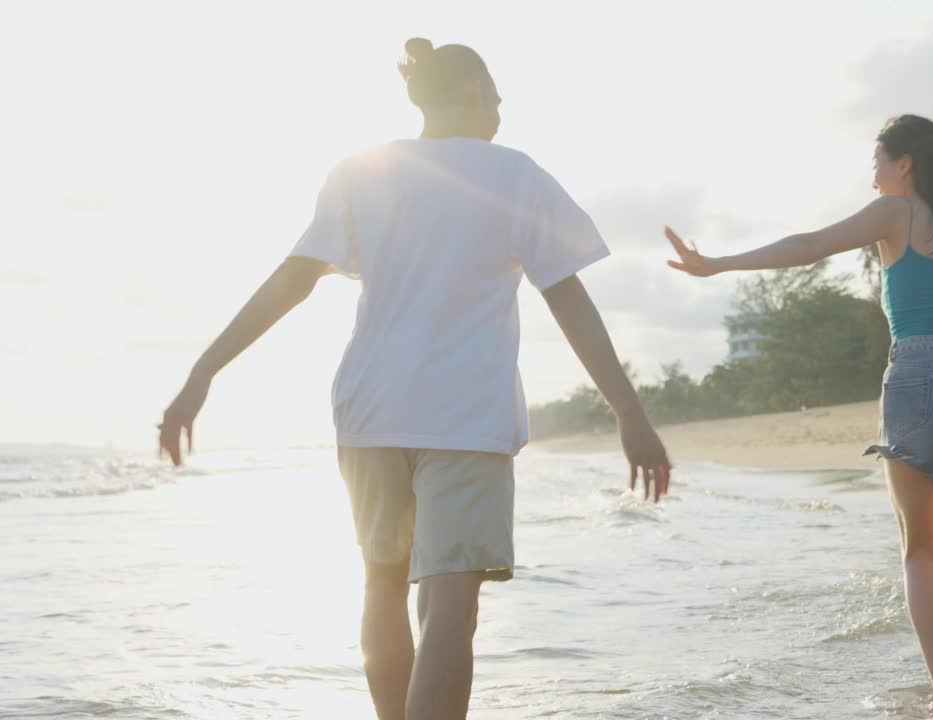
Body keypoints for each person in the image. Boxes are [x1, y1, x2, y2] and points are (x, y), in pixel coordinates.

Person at [157, 37, 671, 720]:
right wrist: (629, 414)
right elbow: (567, 298)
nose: (499, 109)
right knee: (450, 611)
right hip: (463, 415)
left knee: (382, 586)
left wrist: (203, 371)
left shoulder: (361, 171)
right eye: (494, 95)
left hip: (369, 411)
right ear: (466, 94)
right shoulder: (513, 174)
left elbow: (293, 281)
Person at [664, 114, 933, 720]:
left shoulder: (897, 215)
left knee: (921, 553)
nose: (872, 178)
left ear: (905, 163)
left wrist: (720, 263)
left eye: (877, 164)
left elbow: (807, 247)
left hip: (915, 376)